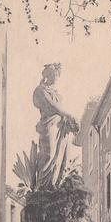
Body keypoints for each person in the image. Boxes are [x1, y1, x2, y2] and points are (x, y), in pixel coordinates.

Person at [32, 63, 79, 191]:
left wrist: (68, 121)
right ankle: (42, 186)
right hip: (49, 125)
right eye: (53, 75)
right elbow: (52, 106)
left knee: (60, 155)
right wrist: (69, 115)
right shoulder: (40, 90)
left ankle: (54, 183)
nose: (56, 77)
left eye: (57, 75)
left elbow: (59, 108)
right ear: (47, 75)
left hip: (60, 126)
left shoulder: (57, 94)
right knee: (49, 153)